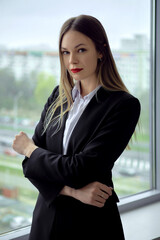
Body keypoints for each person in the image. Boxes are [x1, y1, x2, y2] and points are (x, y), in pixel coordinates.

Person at [12, 15, 140, 240]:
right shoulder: (58, 97)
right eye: (65, 52)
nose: (72, 60)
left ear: (101, 51)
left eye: (81, 50)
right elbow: (30, 168)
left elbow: (79, 169)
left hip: (91, 226)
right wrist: (72, 191)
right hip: (45, 223)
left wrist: (30, 149)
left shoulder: (123, 105)